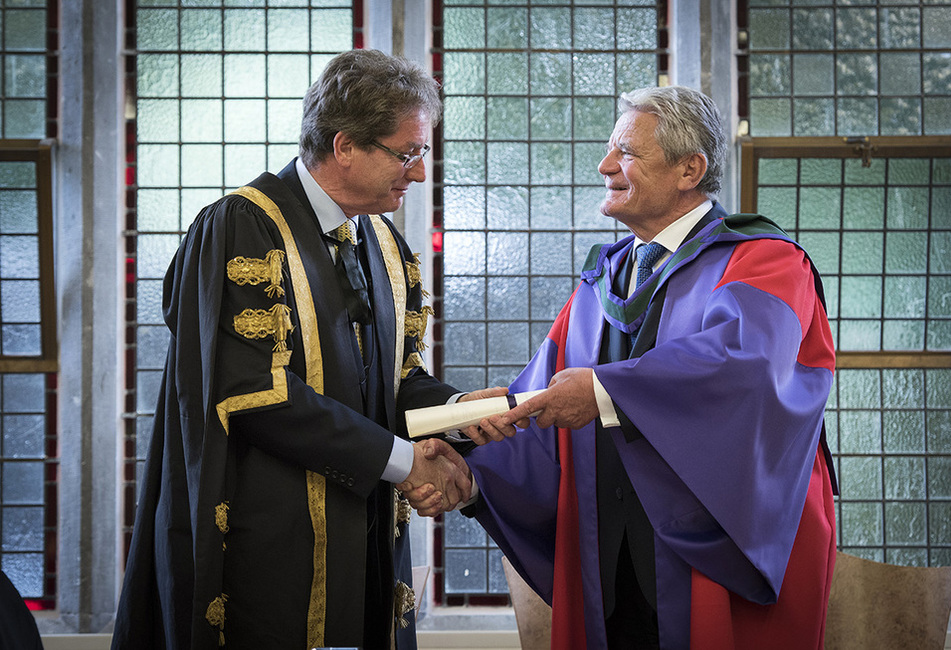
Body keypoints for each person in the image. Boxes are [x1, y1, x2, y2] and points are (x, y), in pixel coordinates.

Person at [409, 85, 838, 649]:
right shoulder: (602, 282)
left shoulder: (764, 261)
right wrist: (471, 473)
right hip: (610, 566)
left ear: (690, 169)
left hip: (715, 556)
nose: (604, 165)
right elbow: (539, 404)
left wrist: (607, 391)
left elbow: (746, 368)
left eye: (627, 153)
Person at [111, 49, 502, 650]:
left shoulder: (382, 241)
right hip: (265, 537)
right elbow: (254, 393)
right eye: (407, 153)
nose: (420, 172)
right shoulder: (243, 226)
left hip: (365, 530)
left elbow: (394, 380)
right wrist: (403, 462)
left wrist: (461, 414)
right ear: (345, 146)